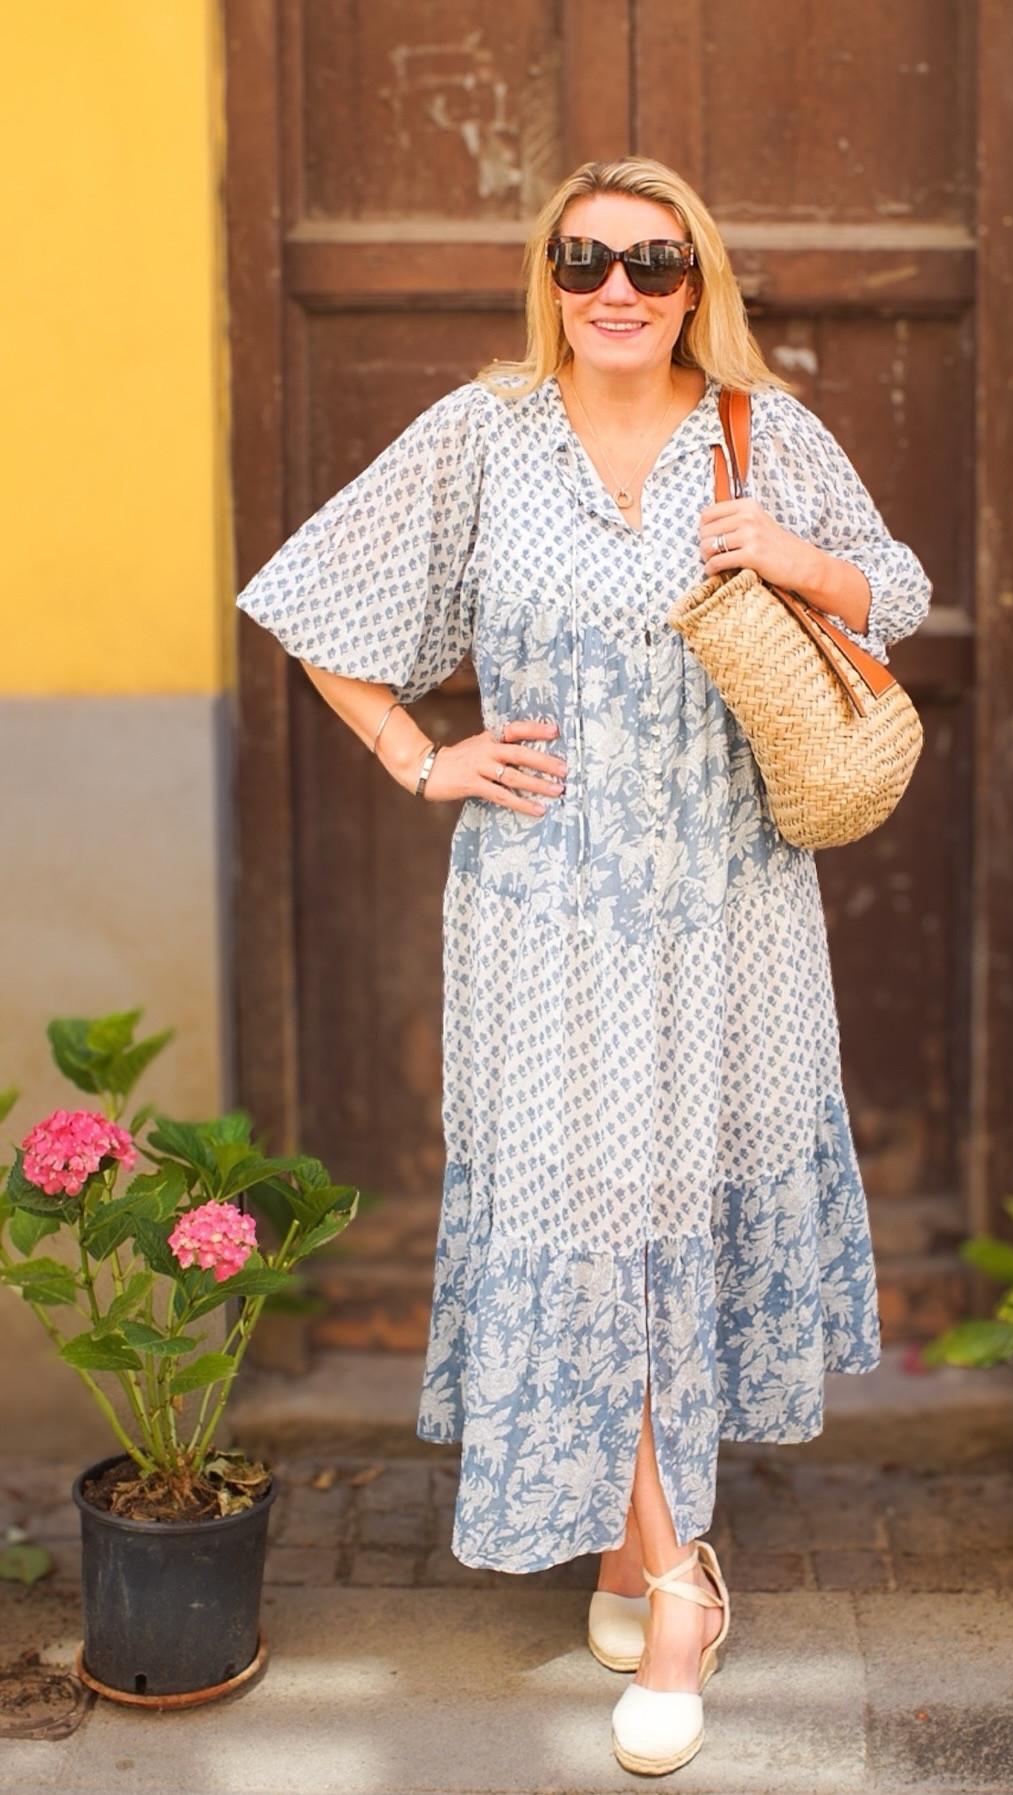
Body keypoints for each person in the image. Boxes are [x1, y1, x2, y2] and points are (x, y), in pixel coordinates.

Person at [237, 156, 930, 1774]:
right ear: (548, 276)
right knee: (590, 1217)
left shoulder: (759, 429)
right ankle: (682, 1585)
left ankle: (632, 1553)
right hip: (544, 901)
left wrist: (794, 555)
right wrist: (424, 758)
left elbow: (895, 593)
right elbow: (318, 597)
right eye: (584, 258)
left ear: (698, 283)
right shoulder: (486, 431)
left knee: (671, 1215)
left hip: (729, 899)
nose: (617, 288)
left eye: (653, 262)